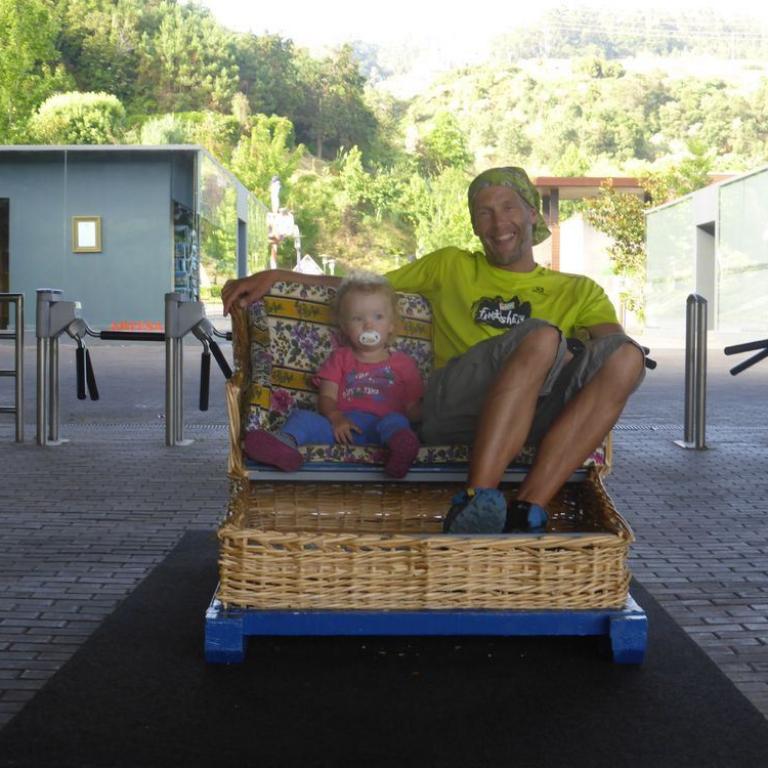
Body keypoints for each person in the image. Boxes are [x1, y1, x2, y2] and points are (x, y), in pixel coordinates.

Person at [223, 167, 646, 534]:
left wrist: (573, 352)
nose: (498, 222)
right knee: (541, 337)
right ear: (475, 226)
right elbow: (365, 288)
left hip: (537, 415)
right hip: (455, 407)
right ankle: (475, 500)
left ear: (532, 213)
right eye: (484, 212)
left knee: (628, 357)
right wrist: (279, 277)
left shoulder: (579, 290)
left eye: (509, 207)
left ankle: (527, 509)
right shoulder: (451, 265)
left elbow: (612, 350)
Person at [243, 275, 424, 479]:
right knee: (302, 417)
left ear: (391, 324)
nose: (368, 325)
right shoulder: (339, 358)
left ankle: (401, 451)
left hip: (384, 430)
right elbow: (327, 397)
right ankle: (284, 445)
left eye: (378, 317)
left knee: (397, 421)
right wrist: (336, 418)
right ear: (345, 327)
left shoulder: (404, 364)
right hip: (341, 430)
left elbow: (413, 409)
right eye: (358, 318)